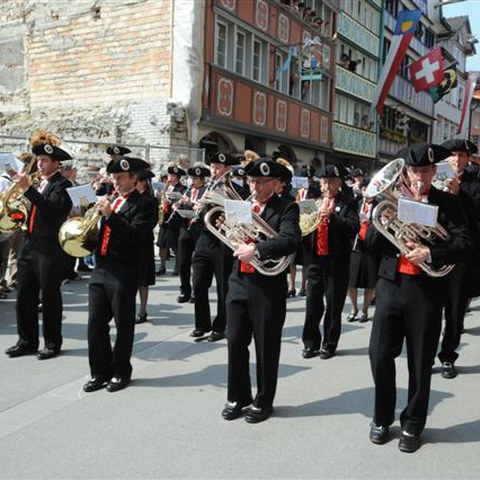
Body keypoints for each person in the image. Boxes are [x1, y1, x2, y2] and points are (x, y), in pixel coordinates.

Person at [366, 144, 472, 453]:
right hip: (391, 286)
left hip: (426, 290)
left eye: (425, 171)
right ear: (406, 172)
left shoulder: (449, 203)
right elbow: (372, 244)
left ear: (433, 172)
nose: (419, 178)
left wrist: (430, 251)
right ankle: (382, 417)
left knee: (420, 359)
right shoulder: (392, 201)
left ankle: (412, 423)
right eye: (414, 172)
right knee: (379, 354)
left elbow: (464, 244)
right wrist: (378, 217)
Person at [221, 157, 301, 423]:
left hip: (267, 285)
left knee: (266, 345)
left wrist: (256, 249)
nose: (254, 187)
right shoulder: (242, 205)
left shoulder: (287, 207)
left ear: (276, 184)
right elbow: (229, 237)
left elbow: (290, 240)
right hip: (238, 281)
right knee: (235, 341)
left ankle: (264, 400)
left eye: (261, 182)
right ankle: (237, 396)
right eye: (251, 181)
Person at [83, 156, 158, 393]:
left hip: (124, 270)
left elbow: (135, 235)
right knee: (95, 324)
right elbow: (101, 233)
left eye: (121, 178)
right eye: (114, 178)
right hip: (101, 267)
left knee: (123, 324)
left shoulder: (146, 205)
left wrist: (110, 216)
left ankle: (120, 371)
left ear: (134, 178)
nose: (116, 183)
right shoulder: (111, 201)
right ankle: (99, 372)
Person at [5, 131, 73, 360]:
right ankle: (27, 341)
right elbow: (30, 207)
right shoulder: (37, 182)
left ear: (56, 163)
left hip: (49, 246)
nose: (40, 164)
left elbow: (51, 209)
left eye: (44, 161)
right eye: (40, 160)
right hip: (29, 242)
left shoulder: (63, 185)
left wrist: (28, 189)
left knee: (50, 295)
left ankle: (52, 343)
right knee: (25, 294)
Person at [301, 164, 359, 359]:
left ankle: (329, 343)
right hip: (316, 260)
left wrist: (333, 217)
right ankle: (310, 343)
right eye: (324, 182)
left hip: (337, 261)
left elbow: (354, 227)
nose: (327, 186)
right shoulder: (313, 201)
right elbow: (303, 230)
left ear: (339, 183)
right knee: (312, 303)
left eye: (331, 182)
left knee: (333, 305)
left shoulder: (348, 202)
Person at [436, 138, 480, 378]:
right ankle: (426, 351)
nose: (457, 159)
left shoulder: (475, 183)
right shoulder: (435, 178)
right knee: (431, 308)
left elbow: (475, 215)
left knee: (454, 310)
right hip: (435, 251)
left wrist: (456, 194)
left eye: (462, 155)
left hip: (461, 254)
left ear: (468, 158)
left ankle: (448, 356)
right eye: (453, 155)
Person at [190, 152, 243, 342]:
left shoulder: (237, 190)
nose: (214, 171)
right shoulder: (207, 187)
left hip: (223, 241)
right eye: (212, 167)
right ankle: (201, 324)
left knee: (223, 286)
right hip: (205, 238)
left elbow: (241, 216)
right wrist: (198, 207)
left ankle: (220, 326)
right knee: (198, 283)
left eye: (218, 168)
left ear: (228, 170)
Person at [176, 163, 210, 303]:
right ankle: (185, 290)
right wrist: (178, 205)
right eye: (192, 178)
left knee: (197, 264)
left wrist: (191, 204)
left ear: (202, 180)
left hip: (199, 230)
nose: (192, 181)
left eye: (196, 179)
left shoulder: (206, 192)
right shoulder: (188, 192)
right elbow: (183, 208)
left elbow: (206, 211)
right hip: (186, 230)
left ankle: (197, 291)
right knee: (183, 262)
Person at [346, 179, 378, 323]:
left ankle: (365, 310)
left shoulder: (379, 206)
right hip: (355, 245)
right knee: (351, 281)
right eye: (365, 189)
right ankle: (354, 308)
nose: (368, 193)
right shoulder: (356, 203)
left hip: (371, 247)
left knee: (369, 282)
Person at [135, 168, 159, 324]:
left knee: (143, 279)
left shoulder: (150, 201)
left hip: (143, 243)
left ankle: (142, 310)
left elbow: (150, 223)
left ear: (143, 184)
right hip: (130, 244)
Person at [156, 165, 187, 275]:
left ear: (177, 178)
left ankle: (177, 267)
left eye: (173, 176)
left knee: (175, 245)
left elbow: (182, 203)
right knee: (162, 244)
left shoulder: (182, 189)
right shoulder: (166, 187)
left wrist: (172, 203)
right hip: (164, 218)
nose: (170, 178)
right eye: (170, 175)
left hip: (175, 220)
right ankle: (162, 266)